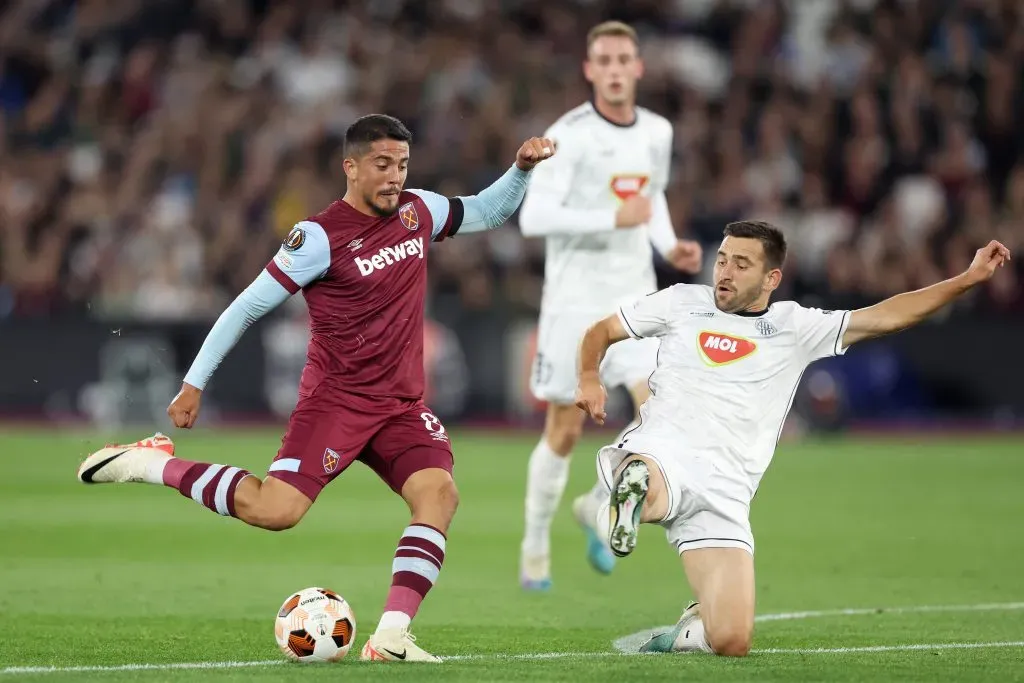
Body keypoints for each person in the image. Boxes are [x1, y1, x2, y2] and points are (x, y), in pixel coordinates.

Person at [76, 114, 556, 664]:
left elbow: (490, 210)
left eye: (401, 165)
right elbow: (247, 306)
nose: (394, 176)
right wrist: (194, 382)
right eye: (382, 165)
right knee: (275, 511)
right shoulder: (319, 237)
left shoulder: (418, 212)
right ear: (350, 167)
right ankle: (149, 464)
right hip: (336, 403)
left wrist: (519, 170)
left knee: (439, 495)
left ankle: (392, 636)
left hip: (399, 406)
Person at [574, 221, 1011, 656]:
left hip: (726, 495)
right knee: (648, 485)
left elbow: (887, 316)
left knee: (731, 640)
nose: (724, 272)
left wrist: (968, 279)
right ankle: (626, 498)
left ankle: (683, 627)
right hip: (664, 453)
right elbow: (602, 332)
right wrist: (590, 376)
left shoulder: (795, 327)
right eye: (722, 260)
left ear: (771, 279)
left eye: (741, 264)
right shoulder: (681, 302)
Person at [515, 20, 703, 591]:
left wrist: (668, 244)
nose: (616, 69)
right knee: (565, 431)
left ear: (639, 67)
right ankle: (535, 547)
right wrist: (610, 218)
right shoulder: (566, 135)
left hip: (634, 296)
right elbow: (533, 218)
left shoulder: (657, 132)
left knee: (661, 415)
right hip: (574, 302)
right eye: (606, 60)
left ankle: (597, 502)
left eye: (625, 59)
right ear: (590, 70)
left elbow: (652, 198)